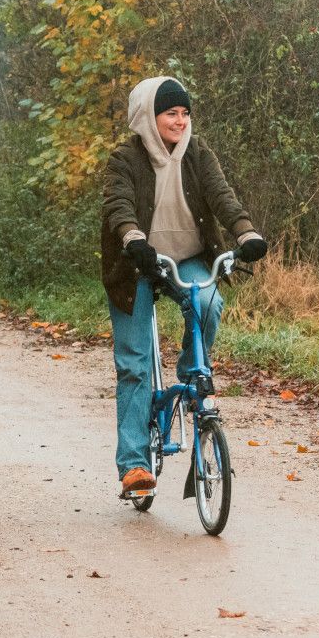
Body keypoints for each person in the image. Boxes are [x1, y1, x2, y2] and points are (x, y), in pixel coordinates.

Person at [100, 76, 267, 499]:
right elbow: (118, 204)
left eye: (185, 113)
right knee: (135, 365)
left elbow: (222, 195)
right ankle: (135, 465)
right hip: (136, 264)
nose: (180, 121)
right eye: (171, 113)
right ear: (148, 116)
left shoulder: (197, 150)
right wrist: (132, 238)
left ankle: (190, 372)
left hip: (187, 257)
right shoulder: (125, 158)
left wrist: (245, 233)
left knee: (208, 304)